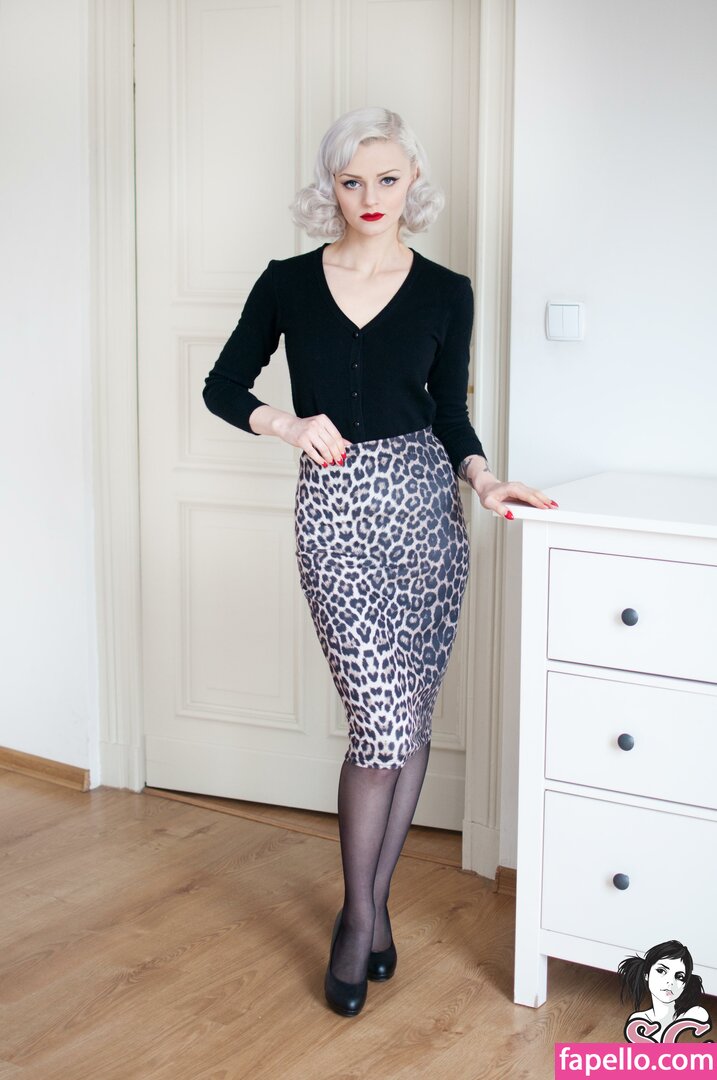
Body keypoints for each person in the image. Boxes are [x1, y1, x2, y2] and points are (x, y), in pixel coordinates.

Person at [203, 105, 558, 1018]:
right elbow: (222, 386)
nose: (370, 195)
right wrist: (288, 425)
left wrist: (483, 479)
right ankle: (358, 920)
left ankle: (374, 905)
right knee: (379, 725)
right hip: (334, 514)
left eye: (387, 178)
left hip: (428, 515)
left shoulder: (446, 291)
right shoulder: (287, 282)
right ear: (331, 184)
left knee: (409, 719)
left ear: (412, 182)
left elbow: (450, 414)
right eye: (352, 179)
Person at [619, 940, 710, 1043]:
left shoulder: (696, 1014)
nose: (670, 982)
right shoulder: (638, 1020)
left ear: (685, 985)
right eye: (661, 971)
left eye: (679, 977)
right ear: (646, 974)